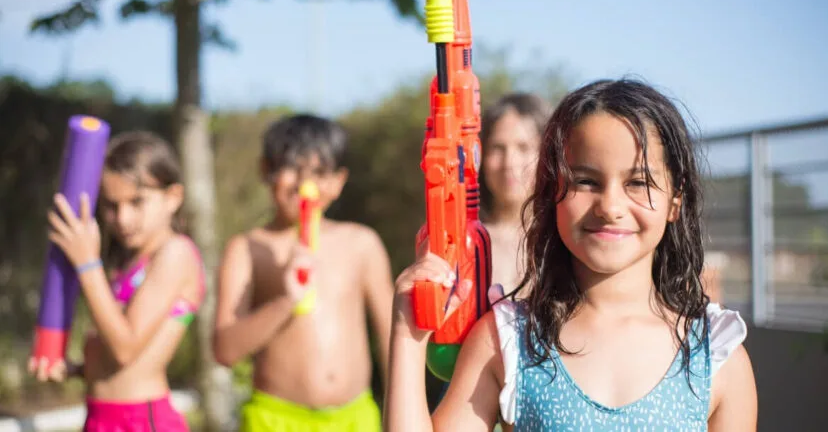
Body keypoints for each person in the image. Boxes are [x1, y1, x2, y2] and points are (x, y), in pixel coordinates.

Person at [385, 79, 758, 431]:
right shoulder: (507, 340)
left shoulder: (716, 357)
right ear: (552, 192)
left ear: (675, 199)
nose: (610, 206)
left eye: (638, 182)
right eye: (585, 181)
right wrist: (407, 334)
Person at [213, 113, 395, 432]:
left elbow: (392, 338)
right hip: (273, 418)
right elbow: (225, 350)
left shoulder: (361, 243)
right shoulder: (247, 248)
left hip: (356, 418)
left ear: (339, 182)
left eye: (319, 172)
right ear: (265, 170)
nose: (305, 184)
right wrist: (285, 300)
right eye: (292, 169)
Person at [33, 131, 204, 431]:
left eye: (137, 202)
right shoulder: (128, 264)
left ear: (173, 197)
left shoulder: (175, 253)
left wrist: (88, 263)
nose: (122, 219)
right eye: (112, 206)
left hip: (141, 420)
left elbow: (126, 348)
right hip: (101, 416)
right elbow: (118, 361)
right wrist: (76, 370)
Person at [479, 93, 551, 297]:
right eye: (497, 148)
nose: (509, 162)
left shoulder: (565, 241)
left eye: (523, 147)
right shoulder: (463, 242)